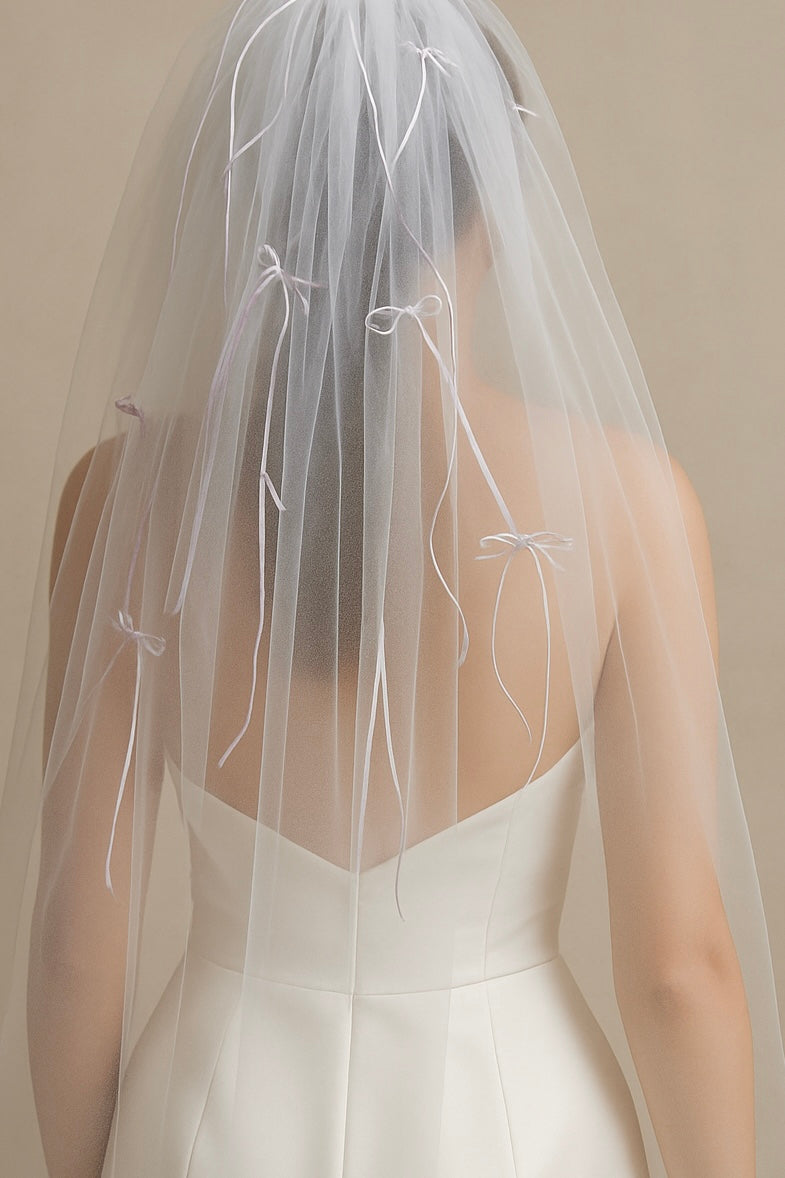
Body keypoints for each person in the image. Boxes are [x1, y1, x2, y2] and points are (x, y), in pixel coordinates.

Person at [1, 0, 784, 1174]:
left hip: (212, 1121)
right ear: (491, 211)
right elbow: (678, 967)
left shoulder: (122, 503)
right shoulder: (629, 508)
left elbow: (74, 937)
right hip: (515, 1128)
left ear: (250, 197)